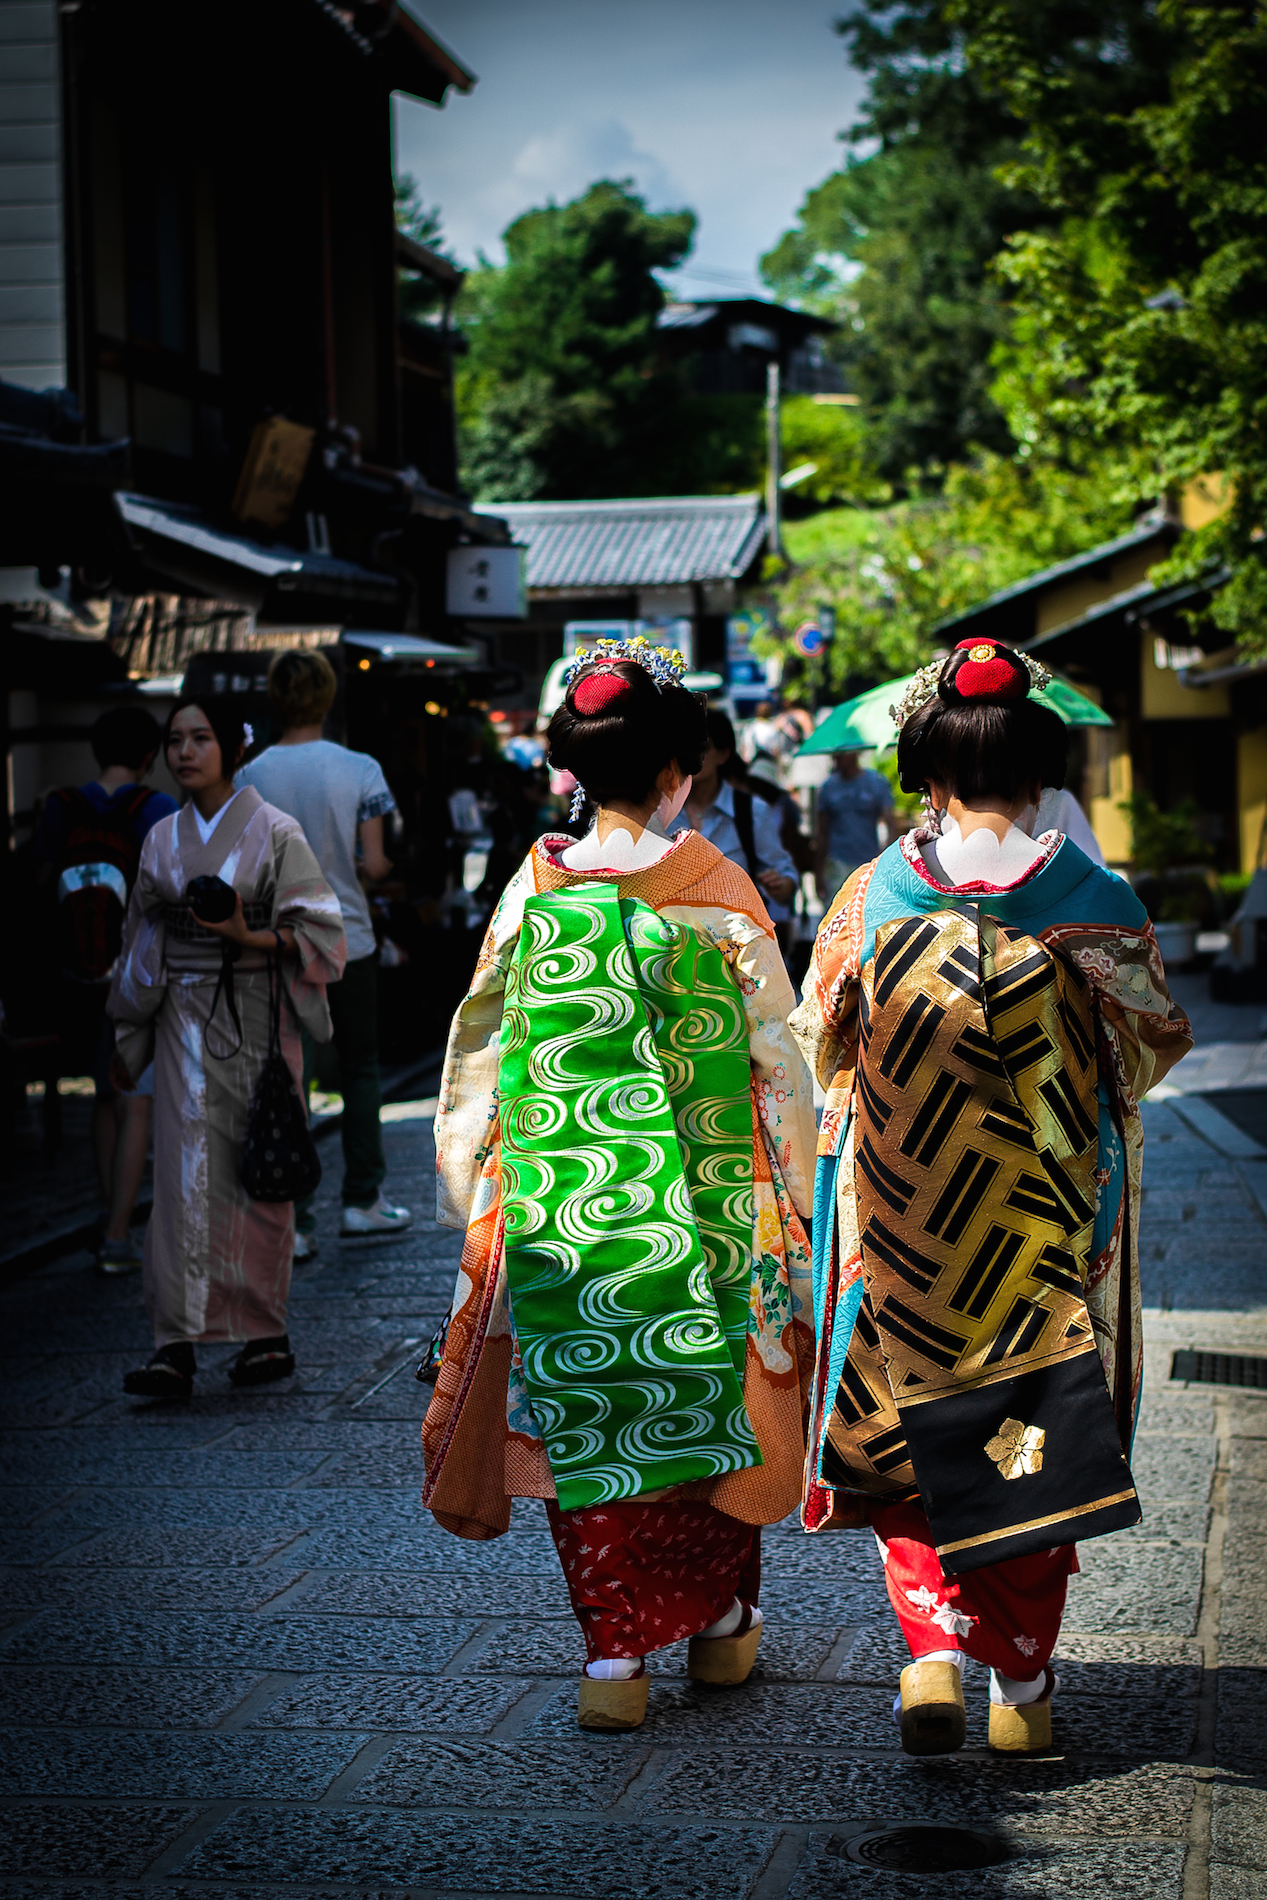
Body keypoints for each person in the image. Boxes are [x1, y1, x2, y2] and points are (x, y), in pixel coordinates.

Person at [789, 639, 1192, 1757]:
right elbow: (1153, 1039)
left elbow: (822, 1042)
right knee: (1032, 1436)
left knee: (906, 1432)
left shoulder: (873, 892)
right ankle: (1020, 1684)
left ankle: (929, 1654)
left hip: (902, 1226)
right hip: (1043, 1235)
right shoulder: (1089, 894)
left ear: (924, 771)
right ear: (1039, 774)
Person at [422, 637, 817, 1732]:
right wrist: (798, 1191)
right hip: (710, 1210)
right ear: (679, 774)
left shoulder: (533, 888)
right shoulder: (721, 891)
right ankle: (726, 1624)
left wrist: (473, 1180)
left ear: (574, 775)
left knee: (584, 1416)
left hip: (560, 1202)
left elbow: (482, 1046)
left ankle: (613, 1658)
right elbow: (778, 1059)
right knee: (713, 1412)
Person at [109, 698, 345, 1399]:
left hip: (257, 1012)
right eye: (175, 740)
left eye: (200, 738)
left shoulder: (274, 830)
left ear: (232, 748)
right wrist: (130, 1024)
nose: (185, 752)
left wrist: (246, 937)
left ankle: (265, 1334)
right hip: (181, 1017)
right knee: (180, 1178)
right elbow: (142, 936)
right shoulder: (161, 837)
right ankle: (174, 1344)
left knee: (258, 1173)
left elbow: (322, 932)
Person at [237, 650, 411, 1252]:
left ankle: (294, 1220)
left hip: (277, 941)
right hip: (348, 937)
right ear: (329, 697)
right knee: (360, 1070)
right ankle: (363, 1201)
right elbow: (377, 862)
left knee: (289, 1074)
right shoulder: (360, 767)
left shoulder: (248, 777)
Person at [35, 706, 178, 1274]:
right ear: (150, 754)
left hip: (78, 973)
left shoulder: (60, 807)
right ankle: (119, 1233)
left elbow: (41, 881)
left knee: (101, 1094)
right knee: (134, 1097)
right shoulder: (156, 808)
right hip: (134, 972)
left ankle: (107, 1211)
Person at [667, 709, 799, 913]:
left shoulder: (751, 810)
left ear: (723, 754)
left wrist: (781, 885)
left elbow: (784, 872)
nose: (690, 754)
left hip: (736, 938)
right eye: (684, 745)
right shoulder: (660, 812)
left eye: (703, 746)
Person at [815, 744, 897, 902]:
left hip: (868, 861)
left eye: (843, 752)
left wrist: (887, 860)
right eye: (836, 753)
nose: (838, 757)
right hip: (837, 861)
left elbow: (891, 823)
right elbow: (821, 832)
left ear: (856, 753)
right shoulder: (828, 787)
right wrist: (819, 874)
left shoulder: (876, 782)